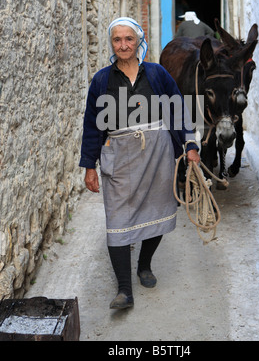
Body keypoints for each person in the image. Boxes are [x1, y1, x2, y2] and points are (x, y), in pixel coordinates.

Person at [79, 17, 200, 310]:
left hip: (157, 154)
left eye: (128, 39)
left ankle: (144, 265)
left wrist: (191, 144)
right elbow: (93, 125)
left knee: (156, 211)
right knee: (117, 219)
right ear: (112, 44)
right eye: (117, 40)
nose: (123, 45)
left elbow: (179, 105)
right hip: (119, 157)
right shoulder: (101, 80)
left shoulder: (157, 74)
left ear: (138, 42)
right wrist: (90, 166)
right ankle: (124, 290)